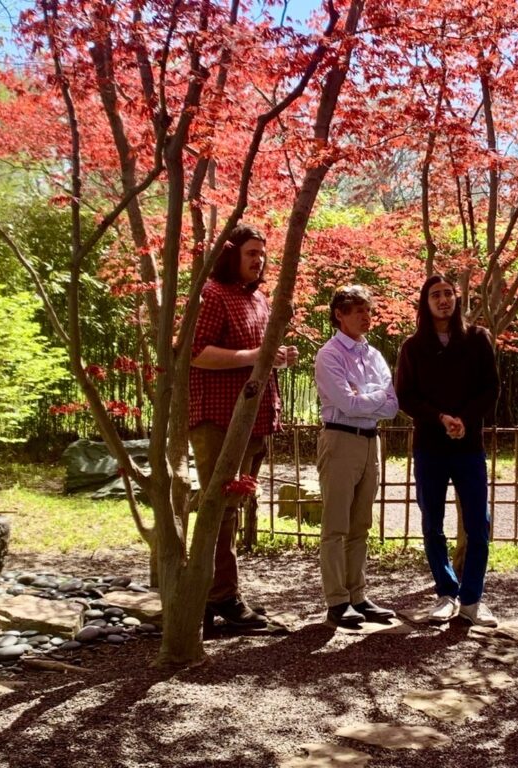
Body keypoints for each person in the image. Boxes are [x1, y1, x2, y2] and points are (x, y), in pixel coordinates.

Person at [189, 224, 298, 634]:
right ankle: (218, 597)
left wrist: (275, 356)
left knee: (232, 509)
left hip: (254, 418)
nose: (260, 260)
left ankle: (218, 594)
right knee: (219, 509)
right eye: (252, 252)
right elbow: (195, 352)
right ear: (231, 254)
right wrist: (256, 355)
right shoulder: (212, 294)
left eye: (263, 253)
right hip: (219, 419)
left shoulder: (258, 299)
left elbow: (256, 355)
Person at [396, 275, 500, 627]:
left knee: (478, 524)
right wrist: (439, 418)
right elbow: (406, 396)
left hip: (468, 445)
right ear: (425, 303)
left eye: (448, 294)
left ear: (457, 299)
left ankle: (472, 600)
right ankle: (446, 593)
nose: (443, 300)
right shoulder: (413, 347)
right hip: (430, 446)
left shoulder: (477, 339)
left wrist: (465, 420)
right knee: (432, 523)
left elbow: (490, 389)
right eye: (435, 295)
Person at [314, 285, 399, 628]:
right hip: (340, 439)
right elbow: (347, 404)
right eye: (358, 310)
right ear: (340, 315)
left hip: (370, 441)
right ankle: (337, 601)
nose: (366, 316)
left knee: (361, 523)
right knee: (336, 523)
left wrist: (364, 395)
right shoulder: (329, 355)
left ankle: (358, 595)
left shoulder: (374, 354)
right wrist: (374, 396)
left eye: (368, 310)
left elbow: (393, 406)